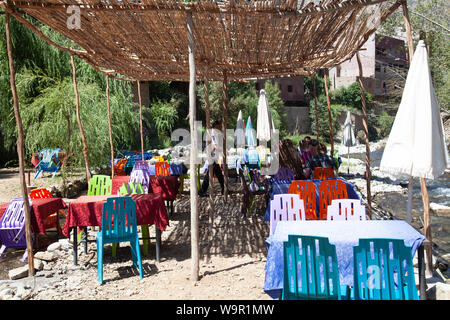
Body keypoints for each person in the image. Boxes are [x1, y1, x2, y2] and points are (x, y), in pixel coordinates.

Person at [199, 121, 225, 197]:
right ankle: (202, 191)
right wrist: (222, 150)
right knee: (209, 175)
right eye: (220, 126)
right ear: (216, 126)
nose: (221, 127)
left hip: (214, 156)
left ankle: (224, 188)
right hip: (212, 156)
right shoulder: (214, 133)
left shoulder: (214, 132)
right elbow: (214, 146)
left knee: (219, 174)